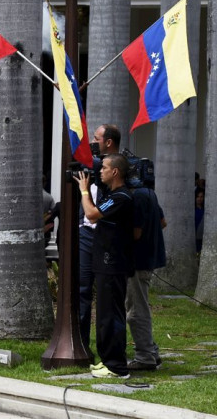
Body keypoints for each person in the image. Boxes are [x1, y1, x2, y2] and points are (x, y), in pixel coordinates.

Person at [76, 153, 133, 378]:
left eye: (105, 168)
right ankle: (107, 360)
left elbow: (90, 214)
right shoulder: (113, 195)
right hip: (105, 263)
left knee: (111, 315)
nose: (100, 171)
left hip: (114, 264)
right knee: (103, 315)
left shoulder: (121, 197)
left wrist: (83, 188)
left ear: (115, 172)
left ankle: (117, 366)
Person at [79, 124, 122, 353]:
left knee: (107, 295)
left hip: (106, 238)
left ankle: (110, 351)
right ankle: (82, 345)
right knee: (82, 289)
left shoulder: (117, 171)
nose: (92, 143)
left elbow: (94, 214)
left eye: (96, 139)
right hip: (86, 235)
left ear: (108, 142)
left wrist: (86, 190)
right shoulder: (92, 168)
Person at [127, 184, 166, 371]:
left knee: (136, 310)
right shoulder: (149, 193)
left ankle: (145, 356)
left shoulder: (138, 197)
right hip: (147, 259)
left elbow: (135, 232)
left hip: (138, 262)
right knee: (137, 307)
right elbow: (163, 222)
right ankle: (151, 351)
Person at [195, 188, 205, 253]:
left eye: (201, 197)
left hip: (202, 237)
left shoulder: (205, 210)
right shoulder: (192, 210)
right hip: (194, 236)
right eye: (198, 197)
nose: (199, 199)